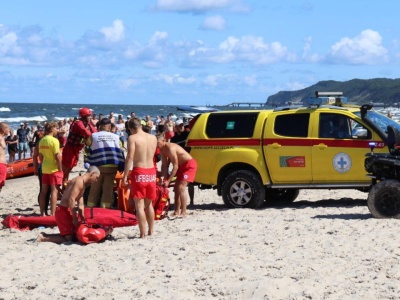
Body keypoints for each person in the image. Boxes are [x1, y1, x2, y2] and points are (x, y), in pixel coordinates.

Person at [35, 166, 102, 244]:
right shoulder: (79, 181)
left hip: (67, 210)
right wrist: (74, 218)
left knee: (73, 235)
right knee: (68, 239)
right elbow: (71, 199)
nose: (96, 180)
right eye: (96, 177)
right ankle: (43, 238)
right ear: (92, 173)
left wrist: (83, 219)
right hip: (62, 211)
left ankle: (45, 235)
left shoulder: (83, 184)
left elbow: (80, 204)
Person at [122, 117, 157, 238]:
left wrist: (125, 175)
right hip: (151, 171)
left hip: (139, 171)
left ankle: (142, 233)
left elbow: (130, 157)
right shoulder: (153, 137)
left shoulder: (132, 138)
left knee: (139, 206)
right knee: (149, 204)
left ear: (131, 129)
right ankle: (151, 230)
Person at [86, 118, 125, 208]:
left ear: (100, 126)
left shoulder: (93, 136)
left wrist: (88, 161)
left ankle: (90, 208)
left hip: (97, 166)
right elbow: (120, 151)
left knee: (94, 188)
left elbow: (87, 146)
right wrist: (121, 166)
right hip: (111, 166)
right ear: (108, 126)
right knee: (107, 189)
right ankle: (104, 208)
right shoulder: (116, 137)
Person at [157, 134, 197, 217]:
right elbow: (164, 166)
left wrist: (168, 180)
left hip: (189, 165)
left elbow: (175, 166)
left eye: (158, 143)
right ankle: (176, 211)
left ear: (164, 141)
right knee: (176, 189)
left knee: (181, 188)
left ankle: (184, 212)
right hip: (181, 166)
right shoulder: (161, 149)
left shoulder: (171, 148)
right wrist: (162, 177)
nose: (156, 145)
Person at [62, 107, 97, 187]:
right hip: (70, 148)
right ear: (84, 116)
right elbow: (85, 131)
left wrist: (100, 135)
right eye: (88, 116)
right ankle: (62, 185)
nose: (90, 117)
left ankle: (64, 184)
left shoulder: (87, 123)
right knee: (66, 168)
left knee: (70, 167)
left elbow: (94, 131)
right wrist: (93, 136)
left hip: (76, 148)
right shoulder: (78, 123)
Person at [38, 122, 63, 216]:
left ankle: (42, 213)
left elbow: (40, 156)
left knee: (43, 191)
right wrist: (60, 169)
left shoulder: (42, 140)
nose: (57, 130)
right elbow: (58, 157)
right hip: (54, 169)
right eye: (56, 128)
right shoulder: (54, 141)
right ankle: (52, 214)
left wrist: (44, 164)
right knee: (54, 191)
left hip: (45, 168)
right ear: (52, 129)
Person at [170, 120, 194, 205]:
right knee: (178, 183)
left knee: (190, 183)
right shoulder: (173, 138)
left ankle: (191, 201)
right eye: (180, 126)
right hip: (178, 162)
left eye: (182, 125)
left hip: (188, 160)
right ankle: (178, 203)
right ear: (175, 127)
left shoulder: (187, 134)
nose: (182, 127)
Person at [0, 122, 10, 192]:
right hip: (0, 165)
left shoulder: (2, 138)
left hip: (3, 165)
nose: (9, 130)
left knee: (1, 185)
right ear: (3, 129)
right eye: (8, 128)